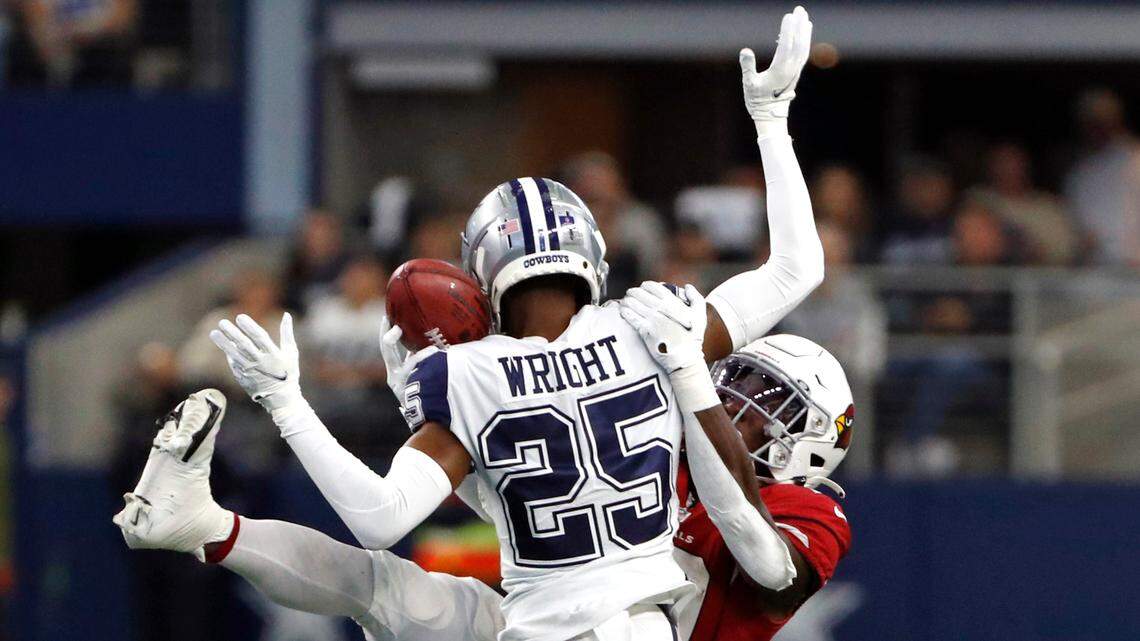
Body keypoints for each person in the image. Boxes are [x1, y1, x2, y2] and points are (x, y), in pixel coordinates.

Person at [114, 7, 825, 641]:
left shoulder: (465, 371)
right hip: (630, 625)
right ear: (589, 251)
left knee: (378, 585)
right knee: (387, 590)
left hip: (533, 622)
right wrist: (772, 118)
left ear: (486, 270)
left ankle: (206, 528)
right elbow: (797, 267)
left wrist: (286, 403)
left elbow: (381, 516)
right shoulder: (652, 329)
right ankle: (203, 524)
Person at [111, 326, 854, 641]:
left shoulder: (810, 512)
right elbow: (527, 504)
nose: (737, 401)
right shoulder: (670, 446)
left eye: (769, 397)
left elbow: (765, 561)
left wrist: (688, 383)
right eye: (740, 378)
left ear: (814, 441)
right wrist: (431, 404)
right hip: (549, 621)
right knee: (382, 587)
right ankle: (202, 524)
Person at [1064, 88, 1140, 267]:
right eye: (1090, 122)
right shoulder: (1078, 174)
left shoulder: (1136, 159)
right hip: (1096, 273)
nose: (1097, 129)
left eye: (1102, 121)